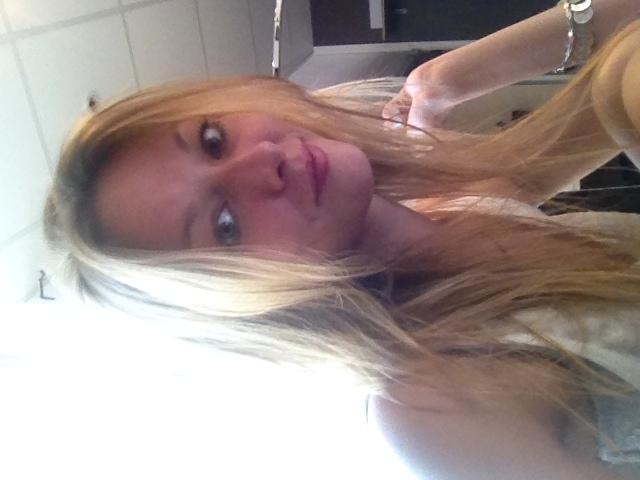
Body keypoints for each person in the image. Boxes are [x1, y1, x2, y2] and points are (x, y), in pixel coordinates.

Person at [44, 2, 640, 478]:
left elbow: (617, 74)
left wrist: (440, 79)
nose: (260, 163)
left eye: (213, 140)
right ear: (247, 304)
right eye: (225, 226)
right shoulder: (437, 401)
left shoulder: (457, 204)